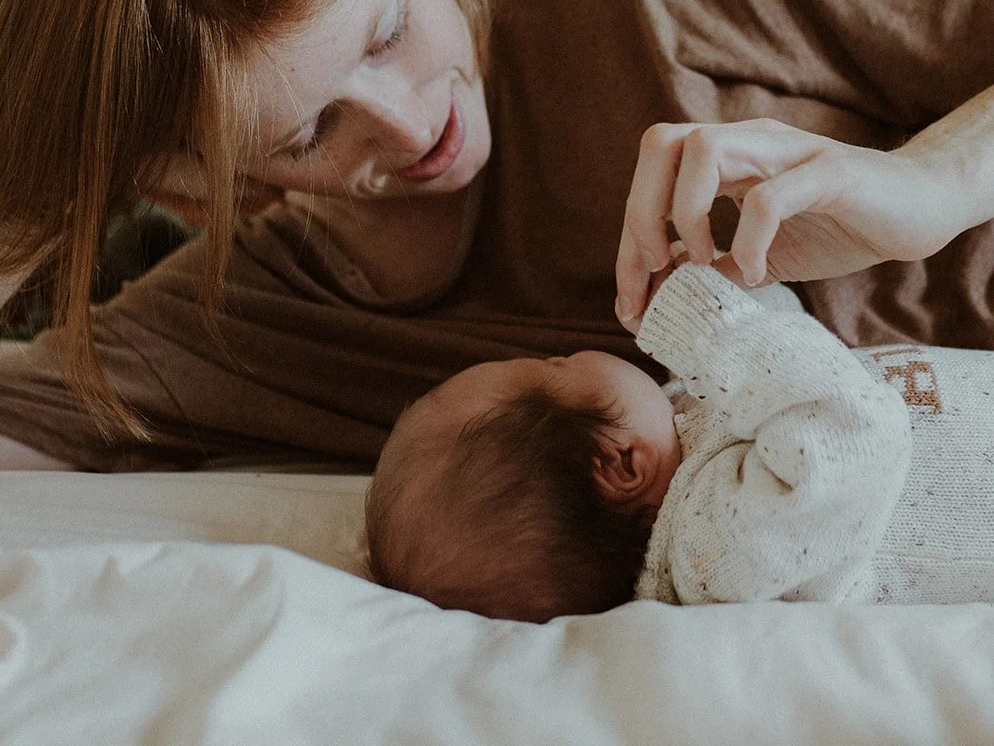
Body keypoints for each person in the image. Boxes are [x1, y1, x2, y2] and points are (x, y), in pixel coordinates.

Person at [0, 0, 994, 475]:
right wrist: (28, 168)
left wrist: (930, 186)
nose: (405, 130)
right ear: (191, 173)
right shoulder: (247, 324)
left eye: (388, 29)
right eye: (307, 136)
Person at [367, 257, 994, 620]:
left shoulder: (678, 439)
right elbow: (852, 432)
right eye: (555, 366)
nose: (570, 353)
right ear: (619, 462)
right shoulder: (718, 551)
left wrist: (742, 286)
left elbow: (790, 349)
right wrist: (710, 327)